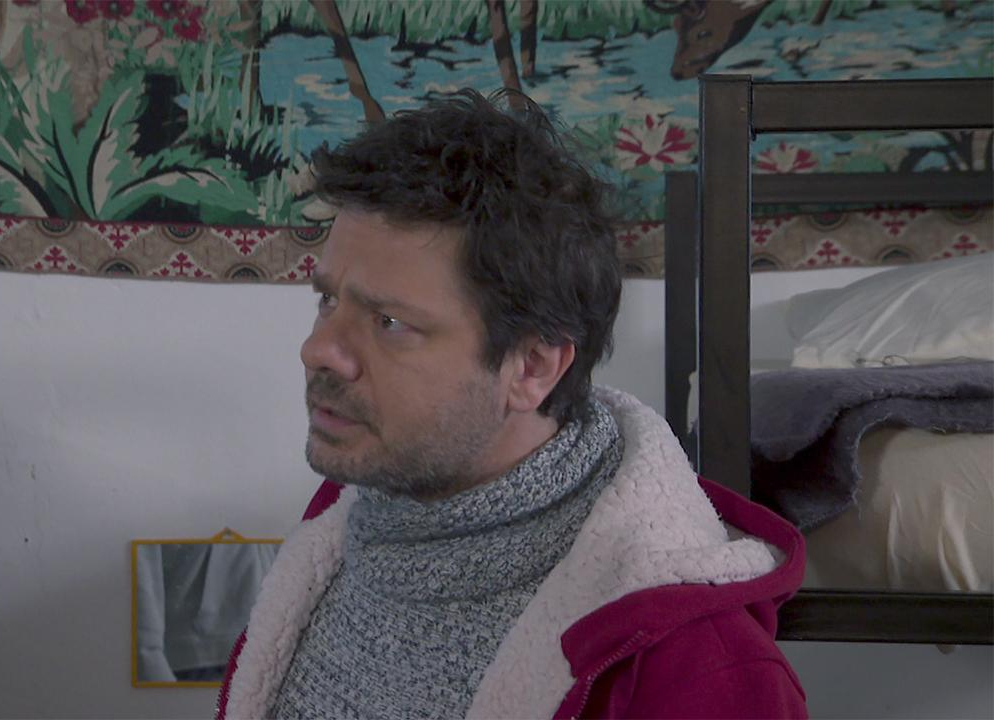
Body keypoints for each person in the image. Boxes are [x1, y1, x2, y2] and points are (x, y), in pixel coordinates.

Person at [216, 89, 807, 719]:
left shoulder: (701, 674)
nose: (318, 350)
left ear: (531, 368)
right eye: (328, 300)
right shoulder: (351, 513)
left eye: (389, 321)